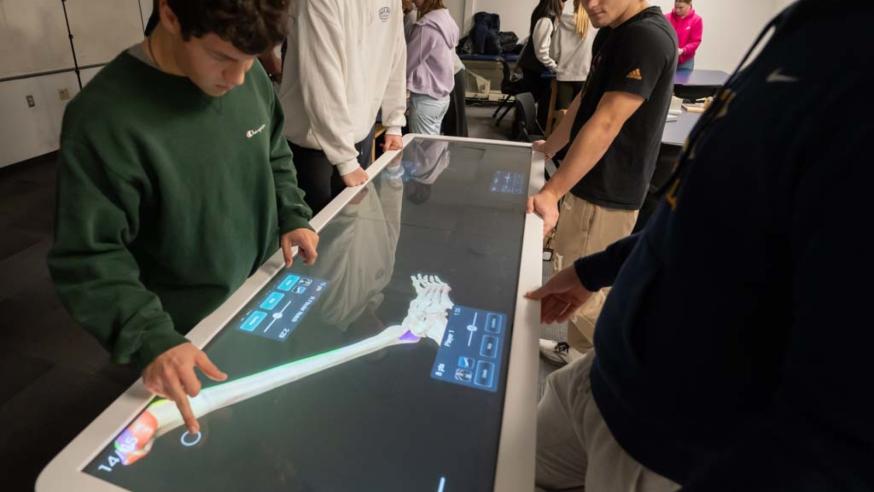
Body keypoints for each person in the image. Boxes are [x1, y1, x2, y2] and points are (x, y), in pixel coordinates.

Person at [528, 1, 874, 490]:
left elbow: (841, 396)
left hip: (668, 436)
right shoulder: (805, 31)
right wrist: (597, 270)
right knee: (507, 464)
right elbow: (703, 210)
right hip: (604, 376)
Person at [47, 0, 318, 436]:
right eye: (222, 57)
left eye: (254, 60)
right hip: (181, 332)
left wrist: (293, 213)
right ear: (170, 14)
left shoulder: (249, 81)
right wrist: (150, 339)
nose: (238, 78)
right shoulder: (103, 118)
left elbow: (274, 153)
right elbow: (89, 256)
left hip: (262, 296)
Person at [529, 0, 677, 363]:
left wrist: (552, 191)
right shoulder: (613, 32)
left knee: (585, 292)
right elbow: (586, 100)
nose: (589, 5)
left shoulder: (645, 38)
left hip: (607, 191)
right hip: (590, 182)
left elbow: (608, 121)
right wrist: (552, 146)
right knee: (576, 277)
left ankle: (610, 370)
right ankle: (578, 355)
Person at [276, 0, 407, 214]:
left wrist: (394, 122)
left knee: (352, 232)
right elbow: (320, 77)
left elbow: (396, 55)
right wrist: (345, 159)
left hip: (360, 135)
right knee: (318, 236)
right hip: (317, 145)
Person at [406, 0, 460, 135]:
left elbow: (408, 63)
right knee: (431, 149)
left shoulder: (426, 26)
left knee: (421, 153)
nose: (413, 1)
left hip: (426, 100)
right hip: (442, 99)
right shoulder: (446, 19)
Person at [517, 0, 566, 129]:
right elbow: (541, 51)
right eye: (563, 1)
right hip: (534, 68)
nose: (564, 5)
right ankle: (523, 131)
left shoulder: (544, 14)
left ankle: (524, 129)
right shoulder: (546, 18)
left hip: (533, 67)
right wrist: (554, 67)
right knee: (531, 103)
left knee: (530, 102)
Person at [552, 0, 597, 112]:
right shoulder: (594, 25)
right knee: (580, 115)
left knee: (563, 115)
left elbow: (553, 53)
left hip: (564, 76)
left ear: (574, 4)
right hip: (585, 76)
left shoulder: (562, 22)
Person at [667, 0, 703, 71]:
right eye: (676, 7)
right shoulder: (666, 18)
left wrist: (683, 50)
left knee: (683, 82)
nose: (677, 10)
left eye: (681, 8)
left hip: (686, 62)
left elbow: (695, 41)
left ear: (689, 5)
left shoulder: (696, 20)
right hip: (669, 60)